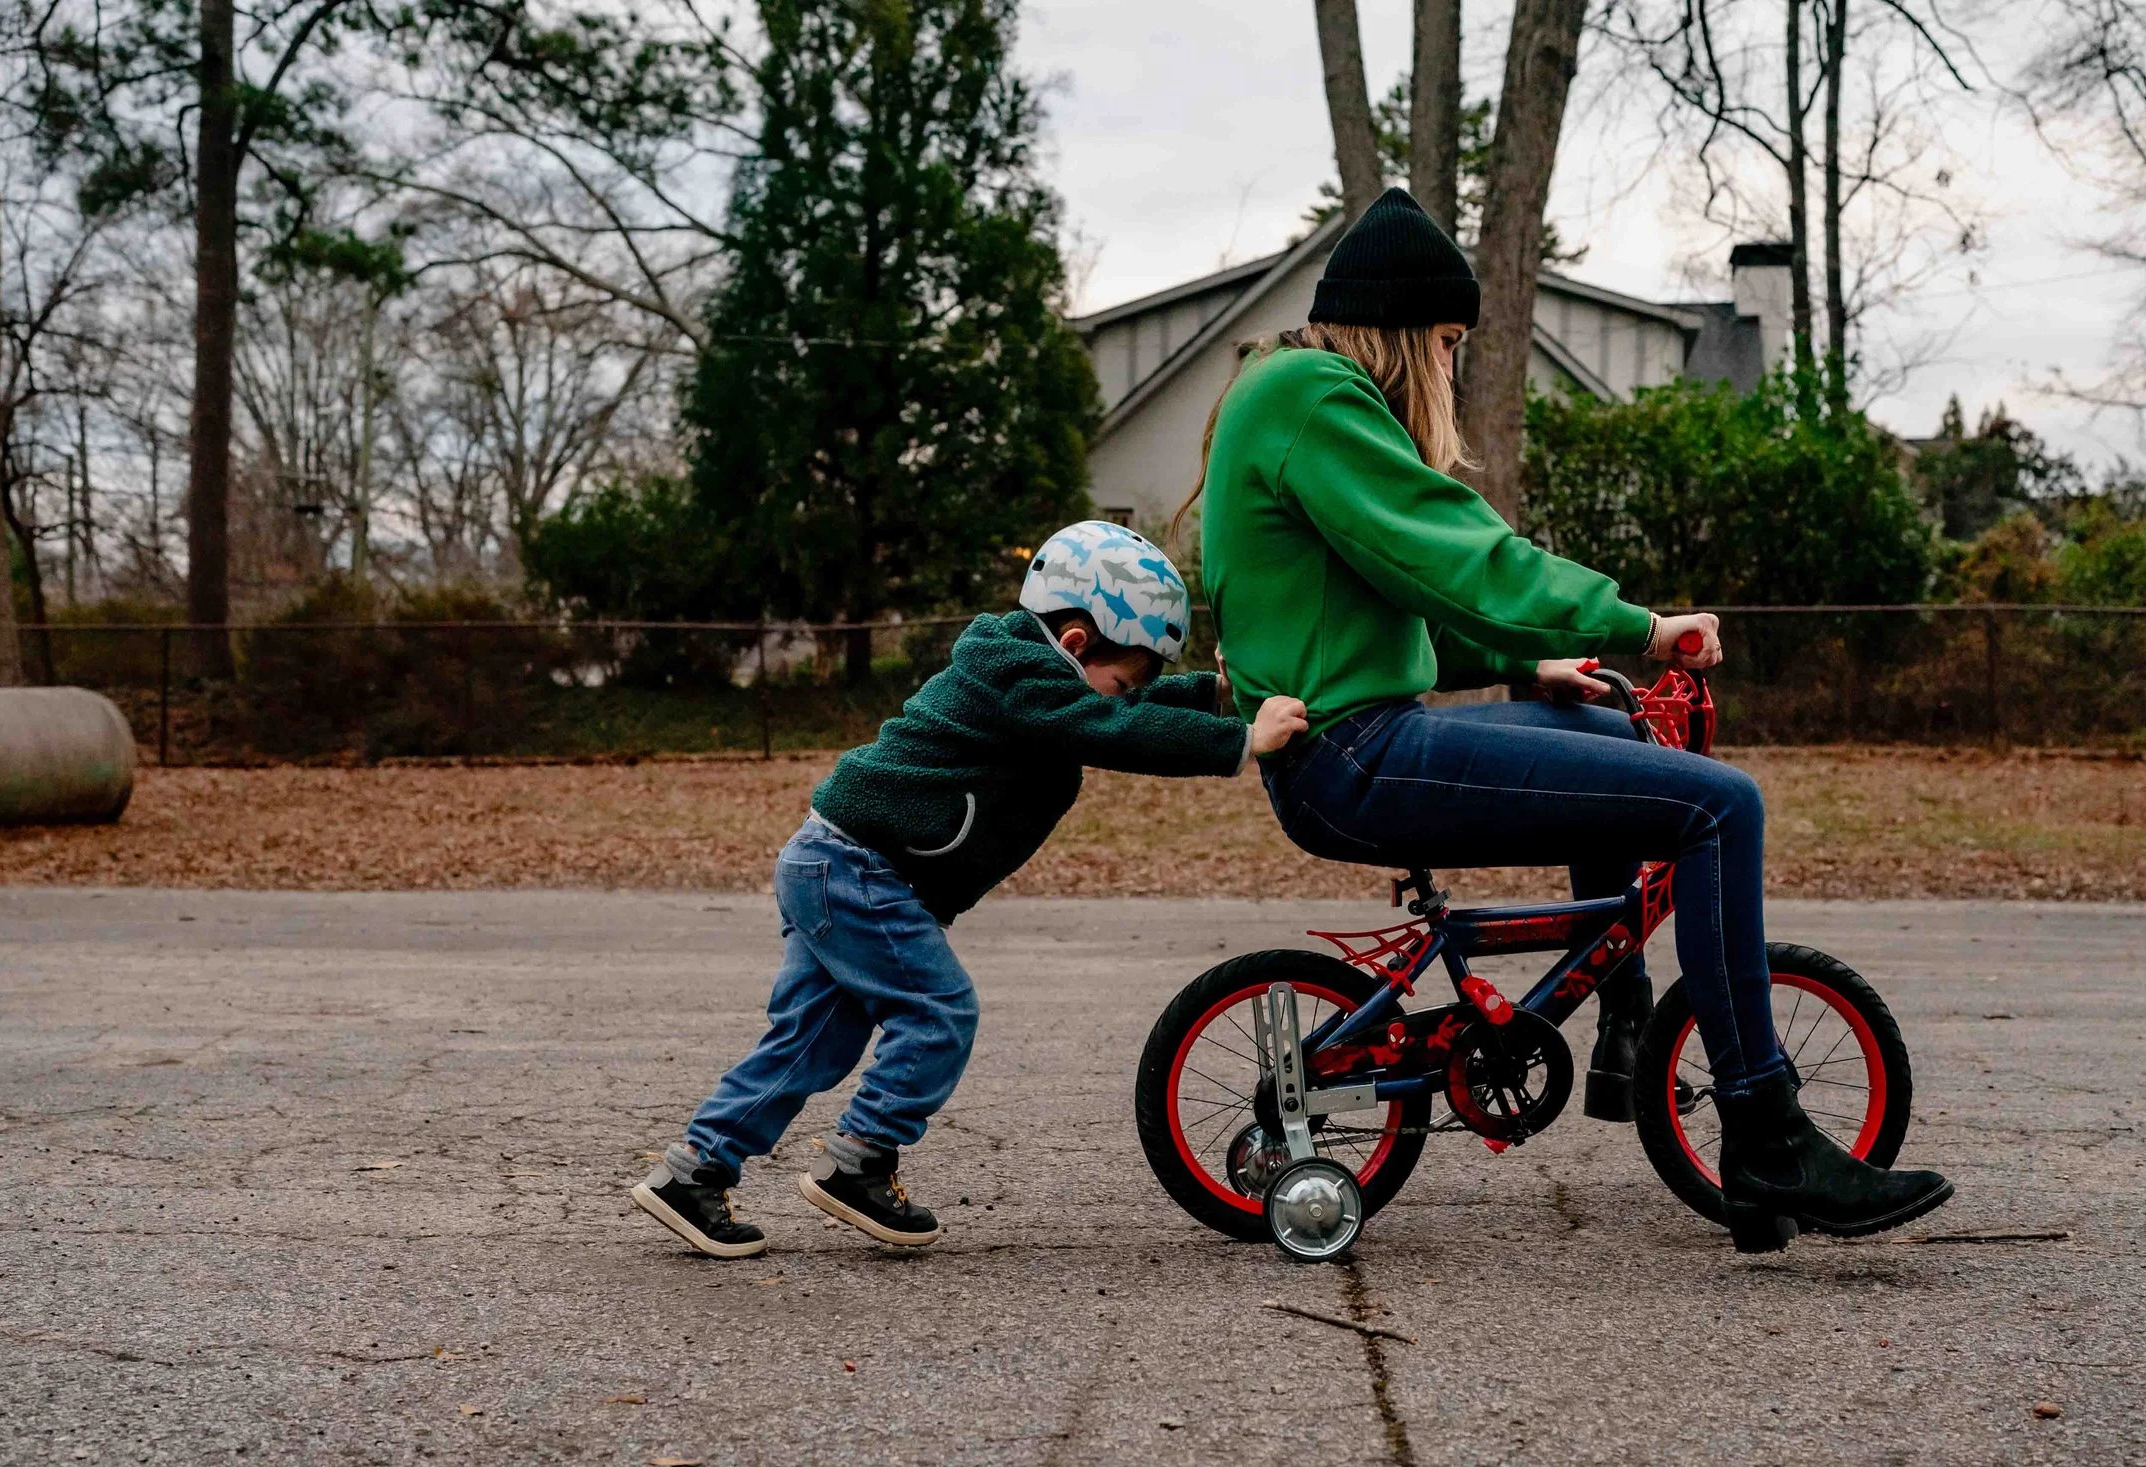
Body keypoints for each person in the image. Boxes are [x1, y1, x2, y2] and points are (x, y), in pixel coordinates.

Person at [1190, 188, 1952, 1251]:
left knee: (1608, 740)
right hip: (1356, 758)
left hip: (1352, 740)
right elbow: (1452, 551)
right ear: (1406, 327)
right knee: (1723, 806)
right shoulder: (1314, 394)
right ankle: (1765, 1131)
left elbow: (1374, 611)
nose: (1450, 368)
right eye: (1449, 341)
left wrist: (1526, 660)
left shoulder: (1284, 394)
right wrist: (1638, 623)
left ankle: (1627, 1026)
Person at [632, 522, 1310, 1257]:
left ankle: (692, 1174)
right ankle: (859, 1160)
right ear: (1077, 642)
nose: (1129, 694)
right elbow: (1111, 726)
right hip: (859, 867)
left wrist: (1214, 693)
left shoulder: (1033, 672)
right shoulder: (1016, 675)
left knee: (813, 1041)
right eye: (1127, 676)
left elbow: (1118, 708)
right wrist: (1241, 742)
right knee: (939, 1010)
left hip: (833, 861)